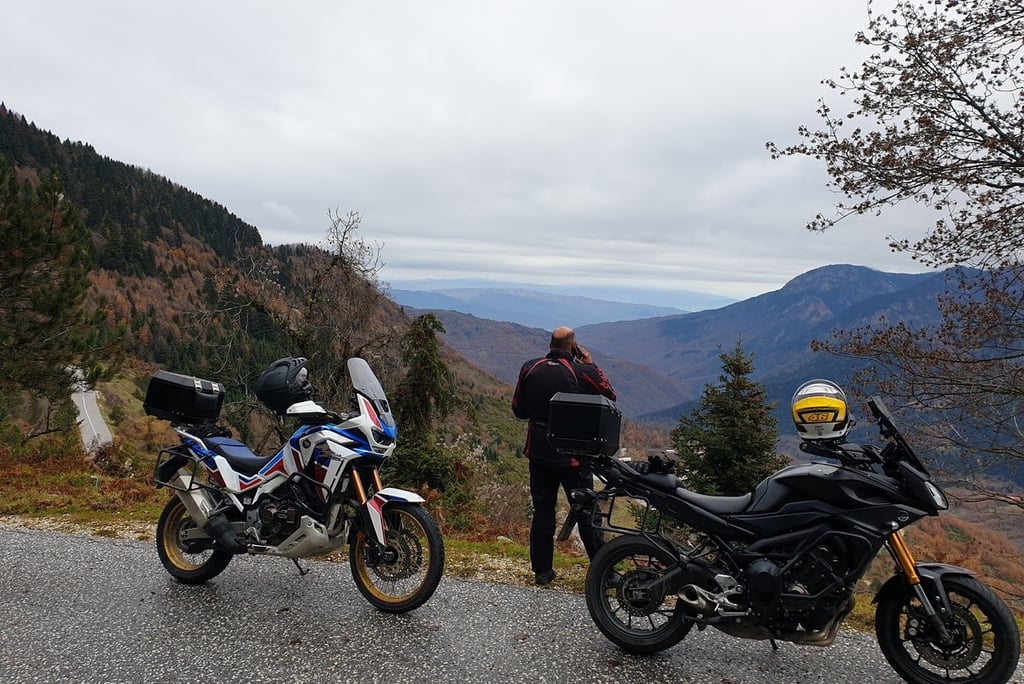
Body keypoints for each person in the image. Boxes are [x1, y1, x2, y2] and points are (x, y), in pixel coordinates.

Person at [512, 326, 616, 585]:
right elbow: (609, 395)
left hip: (538, 451)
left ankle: (542, 572)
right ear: (573, 346)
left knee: (542, 511)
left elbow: (518, 410)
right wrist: (591, 365)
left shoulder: (529, 368)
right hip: (573, 455)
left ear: (550, 344)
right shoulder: (582, 371)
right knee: (587, 513)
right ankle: (605, 574)